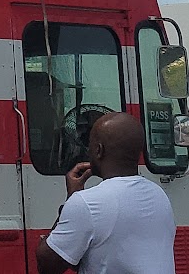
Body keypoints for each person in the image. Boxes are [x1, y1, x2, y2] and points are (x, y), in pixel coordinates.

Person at [35, 111, 175, 274]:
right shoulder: (159, 195)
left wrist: (71, 199)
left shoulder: (86, 203)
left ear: (98, 150)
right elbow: (112, 254)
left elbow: (48, 265)